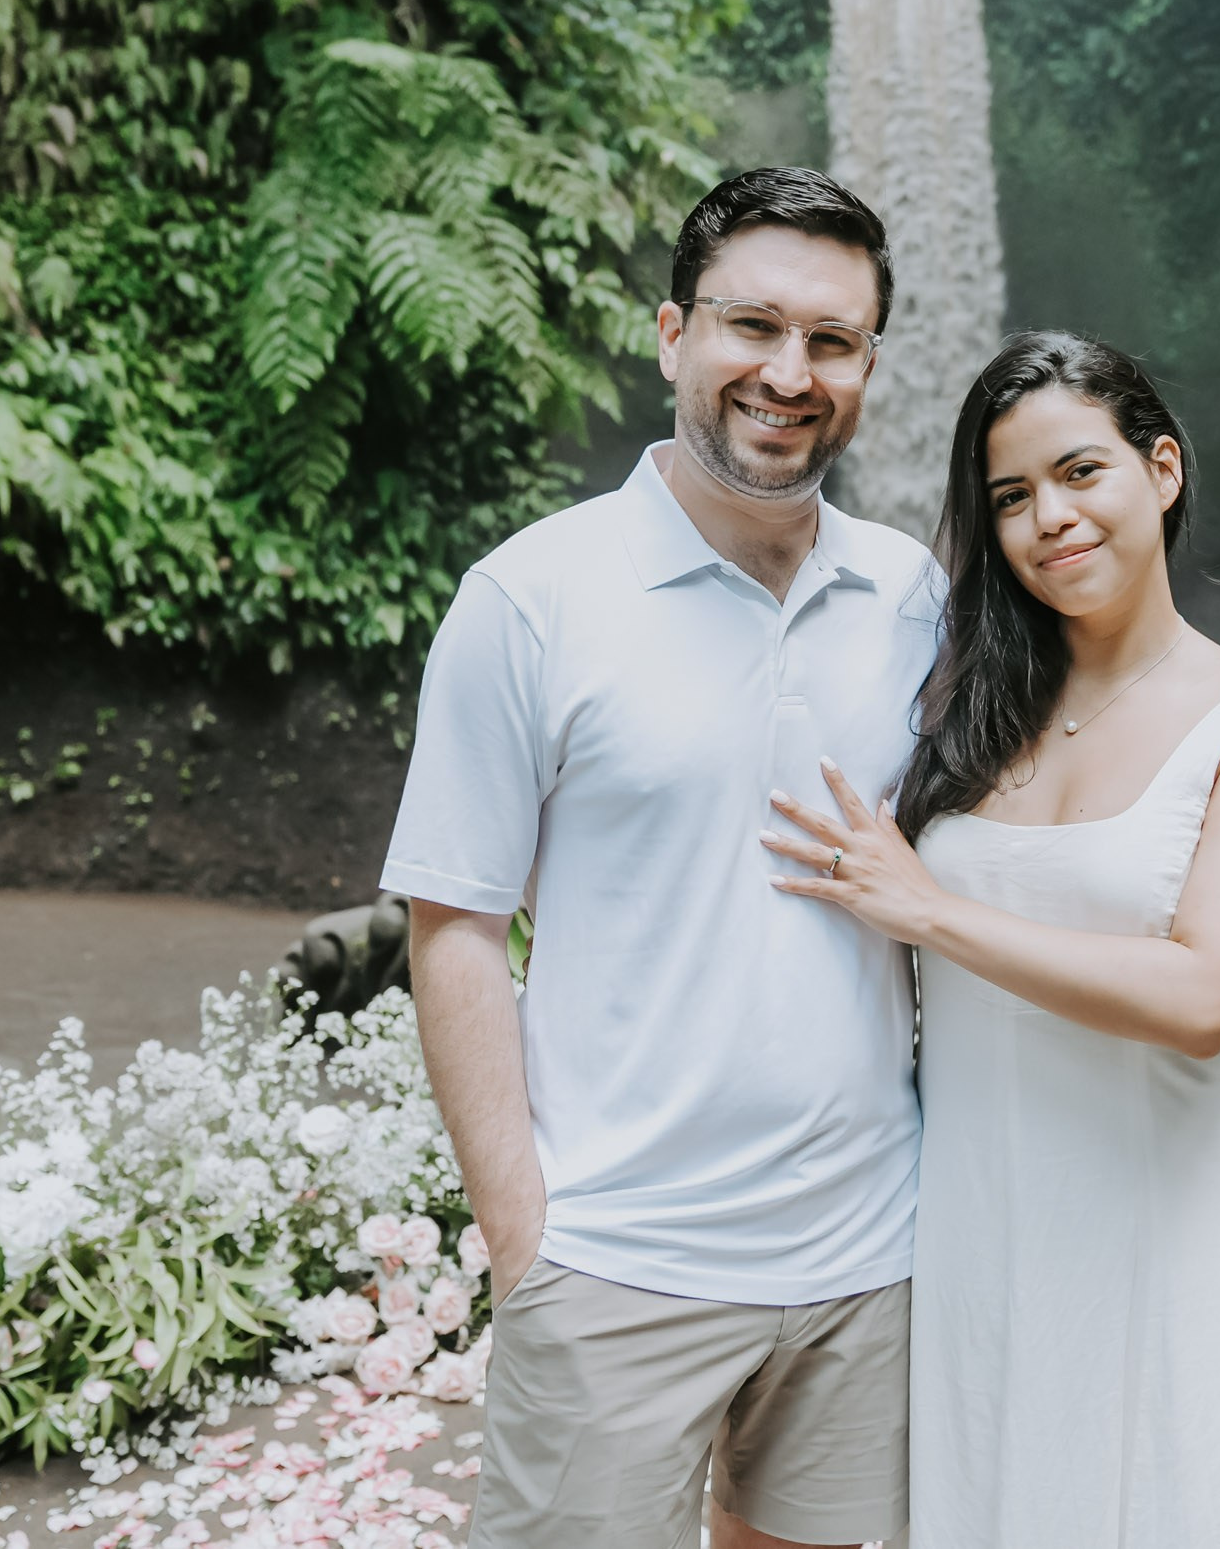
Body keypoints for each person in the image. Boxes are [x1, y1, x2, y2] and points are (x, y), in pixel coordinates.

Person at [381, 167, 938, 1549]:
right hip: (617, 1262)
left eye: (832, 340)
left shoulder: (916, 598)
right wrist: (530, 1247)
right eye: (752, 325)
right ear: (671, 331)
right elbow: (453, 926)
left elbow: (1024, 831)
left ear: (869, 361)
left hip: (867, 1260)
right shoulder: (531, 598)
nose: (788, 372)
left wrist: (1212, 976)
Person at [764, 331, 1220, 1547]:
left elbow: (1199, 997)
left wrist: (932, 908)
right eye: (1011, 496)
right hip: (975, 1221)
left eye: (1081, 472)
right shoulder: (964, 699)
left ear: (1162, 470)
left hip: (1154, 1222)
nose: (1048, 519)